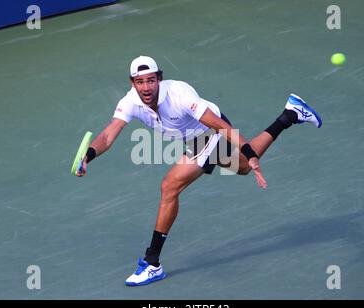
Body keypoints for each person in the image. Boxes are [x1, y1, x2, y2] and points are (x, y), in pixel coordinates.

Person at [76, 56, 322, 286]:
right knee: (244, 168)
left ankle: (152, 262)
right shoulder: (130, 102)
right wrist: (88, 156)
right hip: (193, 141)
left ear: (158, 79)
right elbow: (109, 135)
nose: (146, 87)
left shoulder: (180, 94)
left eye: (151, 80)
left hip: (211, 134)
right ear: (133, 83)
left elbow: (222, 127)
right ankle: (290, 114)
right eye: (140, 82)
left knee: (169, 187)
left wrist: (248, 150)